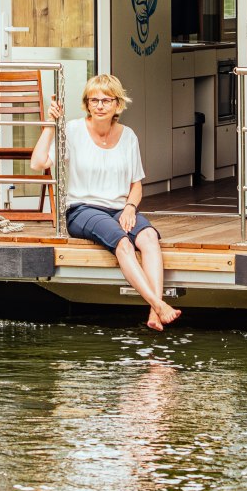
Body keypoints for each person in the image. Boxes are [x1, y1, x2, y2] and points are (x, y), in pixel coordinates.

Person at [31, 74, 181, 331]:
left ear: (117, 104)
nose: (99, 105)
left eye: (106, 100)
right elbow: (38, 163)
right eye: (94, 100)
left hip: (119, 208)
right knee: (122, 242)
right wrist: (49, 124)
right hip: (82, 209)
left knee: (147, 237)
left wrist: (130, 208)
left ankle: (154, 312)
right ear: (87, 104)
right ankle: (159, 304)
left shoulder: (128, 136)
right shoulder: (74, 130)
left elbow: (136, 184)